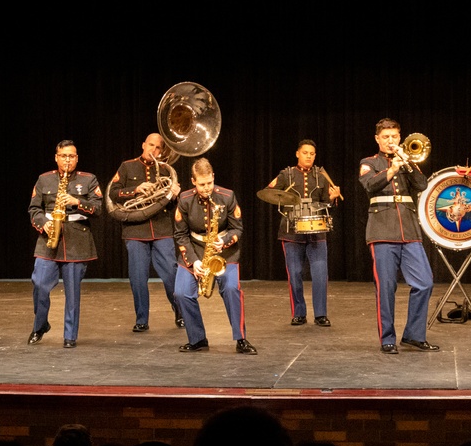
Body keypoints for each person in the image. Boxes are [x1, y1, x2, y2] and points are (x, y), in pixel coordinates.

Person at [358, 118, 438, 354]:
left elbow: (422, 184)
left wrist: (407, 163)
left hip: (409, 230)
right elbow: (370, 185)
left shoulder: (407, 161)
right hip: (382, 230)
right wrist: (392, 169)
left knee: (424, 282)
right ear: (377, 139)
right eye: (386, 137)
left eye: (394, 137)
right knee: (386, 288)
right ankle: (387, 339)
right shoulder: (368, 162)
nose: (391, 141)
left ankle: (414, 335)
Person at [172, 157, 257, 354]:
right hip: (195, 251)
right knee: (181, 293)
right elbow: (180, 235)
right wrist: (193, 262)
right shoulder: (184, 200)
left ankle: (241, 339)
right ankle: (198, 339)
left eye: (209, 182)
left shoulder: (227, 196)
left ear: (213, 177)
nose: (206, 188)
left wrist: (225, 241)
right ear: (193, 182)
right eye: (202, 184)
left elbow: (238, 229)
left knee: (231, 288)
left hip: (224, 253)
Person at [27, 140, 102, 348]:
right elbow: (34, 209)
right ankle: (40, 325)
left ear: (77, 158)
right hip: (48, 238)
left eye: (71, 156)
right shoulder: (44, 179)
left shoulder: (89, 180)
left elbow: (98, 209)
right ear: (56, 157)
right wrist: (45, 224)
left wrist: (77, 202)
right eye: (63, 156)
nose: (67, 160)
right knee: (40, 284)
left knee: (73, 293)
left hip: (77, 239)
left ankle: (70, 336)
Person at [108, 133, 183, 333]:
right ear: (143, 145)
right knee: (138, 277)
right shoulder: (127, 166)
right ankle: (142, 319)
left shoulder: (166, 170)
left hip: (161, 228)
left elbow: (174, 205)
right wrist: (135, 190)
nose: (154, 150)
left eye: (158, 148)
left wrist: (175, 195)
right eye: (151, 145)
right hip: (135, 230)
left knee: (170, 273)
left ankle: (180, 311)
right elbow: (113, 193)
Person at [266, 138, 342, 327]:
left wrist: (332, 198)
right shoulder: (286, 174)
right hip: (291, 232)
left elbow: (326, 204)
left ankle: (321, 314)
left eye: (312, 154)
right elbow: (270, 193)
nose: (309, 156)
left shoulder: (321, 176)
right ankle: (299, 312)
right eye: (305, 153)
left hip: (316, 231)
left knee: (319, 273)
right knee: (295, 273)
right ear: (298, 154)